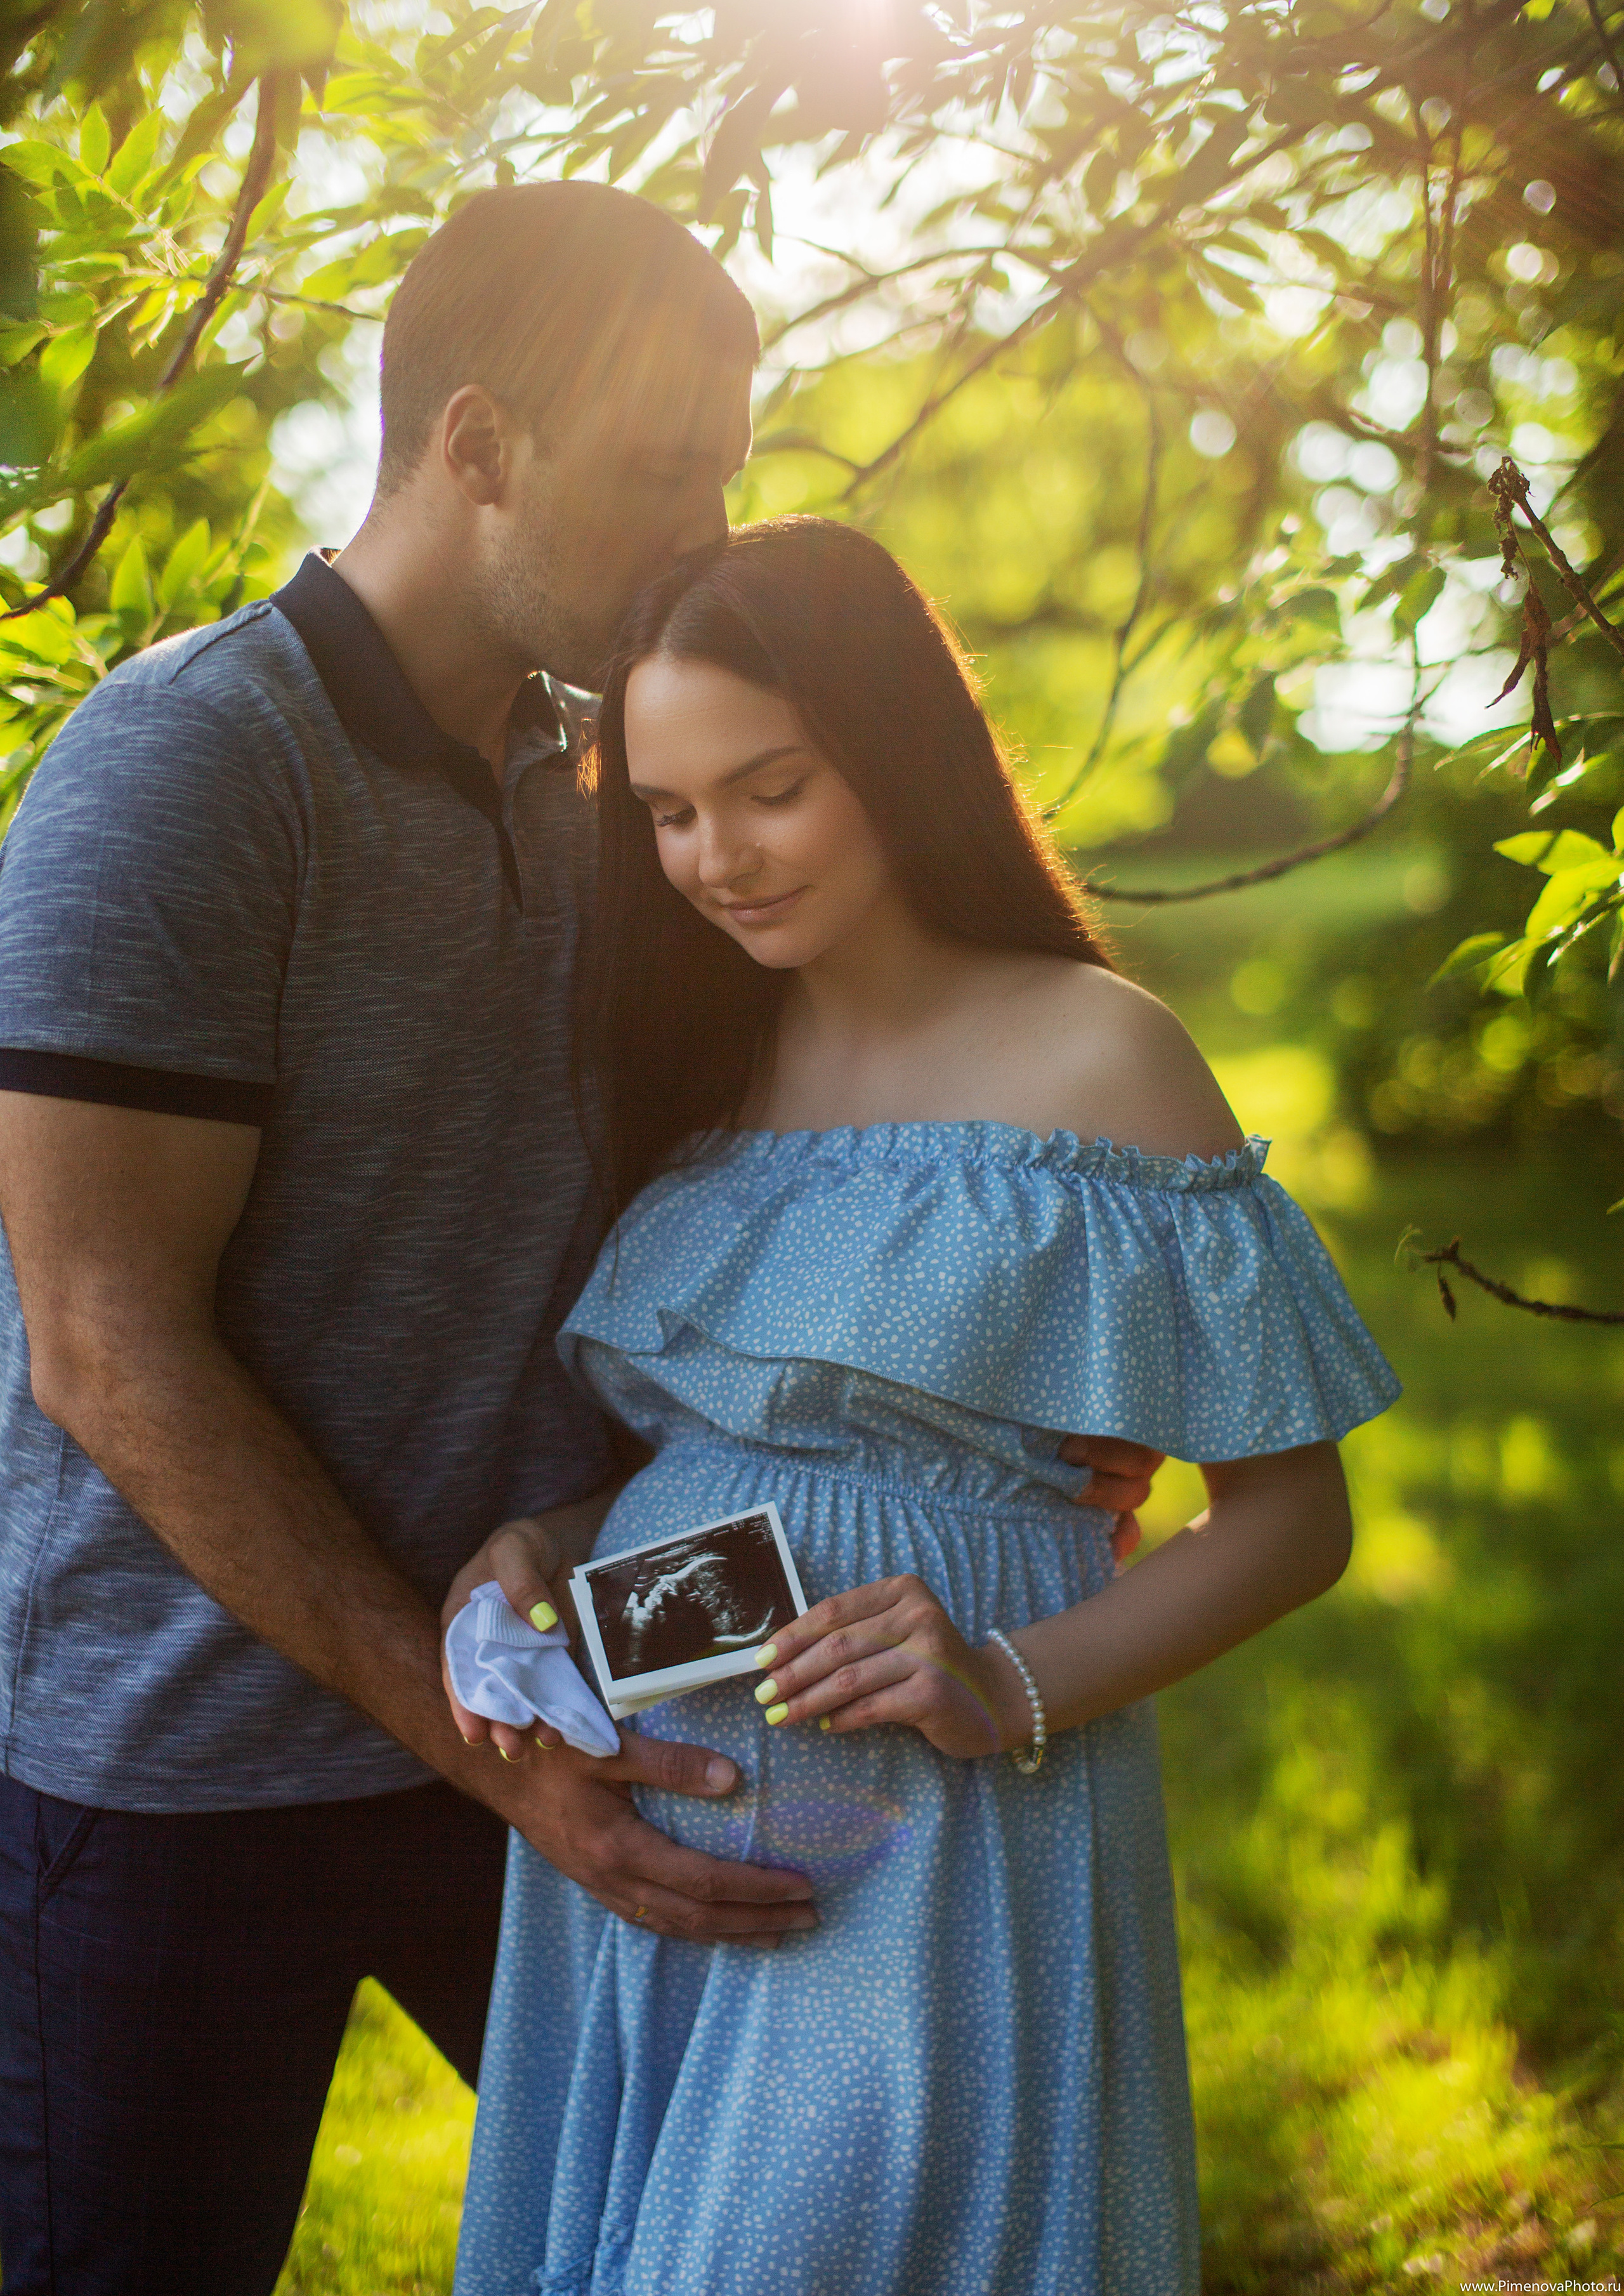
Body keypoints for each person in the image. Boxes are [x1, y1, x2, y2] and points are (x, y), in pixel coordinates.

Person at [0, 185, 1158, 2295]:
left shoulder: (629, 781)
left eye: (730, 463)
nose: (704, 525)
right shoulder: (183, 770)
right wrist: (482, 1743)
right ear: (475, 446)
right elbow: (102, 1340)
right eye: (658, 471)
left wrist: (1005, 1429)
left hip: (604, 1691)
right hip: (192, 1758)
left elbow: (787, 1180)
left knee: (735, 2227)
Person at [450, 518, 1401, 2296]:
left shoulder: (1098, 1057)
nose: (715, 858)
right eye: (666, 813)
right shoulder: (710, 1059)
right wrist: (540, 1551)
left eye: (771, 788)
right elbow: (747, 1472)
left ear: (893, 753)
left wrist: (1008, 1682)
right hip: (677, 1787)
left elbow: (1294, 1521)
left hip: (928, 1834)